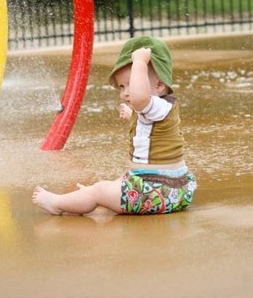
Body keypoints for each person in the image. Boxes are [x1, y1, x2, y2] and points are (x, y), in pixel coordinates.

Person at [32, 36, 197, 215]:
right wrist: (132, 114)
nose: (126, 93)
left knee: (99, 191)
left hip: (156, 192)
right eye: (121, 86)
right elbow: (148, 120)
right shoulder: (161, 107)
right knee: (115, 183)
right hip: (170, 189)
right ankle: (88, 196)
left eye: (132, 84)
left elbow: (141, 99)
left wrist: (140, 63)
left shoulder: (154, 104)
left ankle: (57, 203)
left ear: (159, 85)